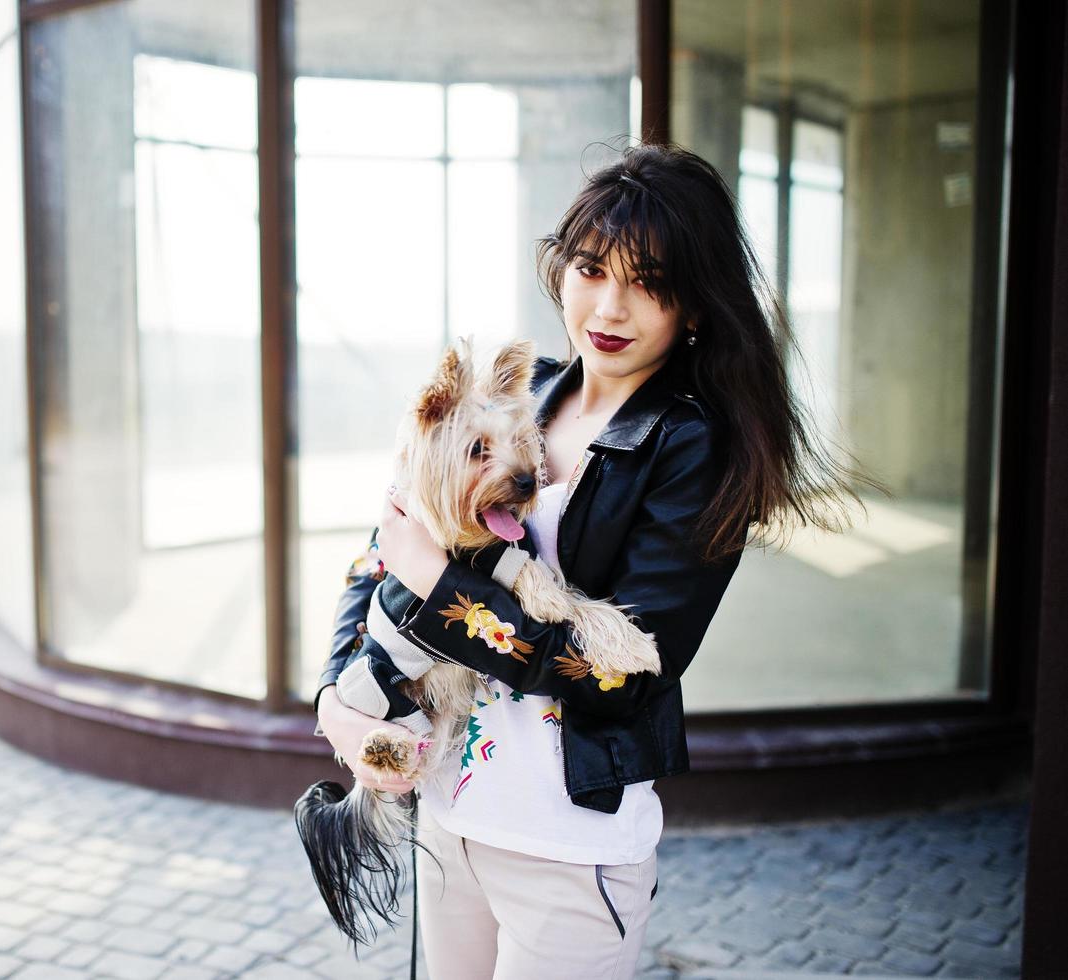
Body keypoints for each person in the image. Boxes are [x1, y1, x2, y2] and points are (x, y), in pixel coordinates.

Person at [313, 143, 866, 979]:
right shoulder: (517, 393)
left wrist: (437, 584)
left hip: (566, 841)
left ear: (695, 306)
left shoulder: (694, 449)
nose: (609, 305)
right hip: (446, 813)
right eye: (590, 268)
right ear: (559, 269)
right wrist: (334, 696)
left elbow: (623, 678)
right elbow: (384, 544)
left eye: (649, 282)